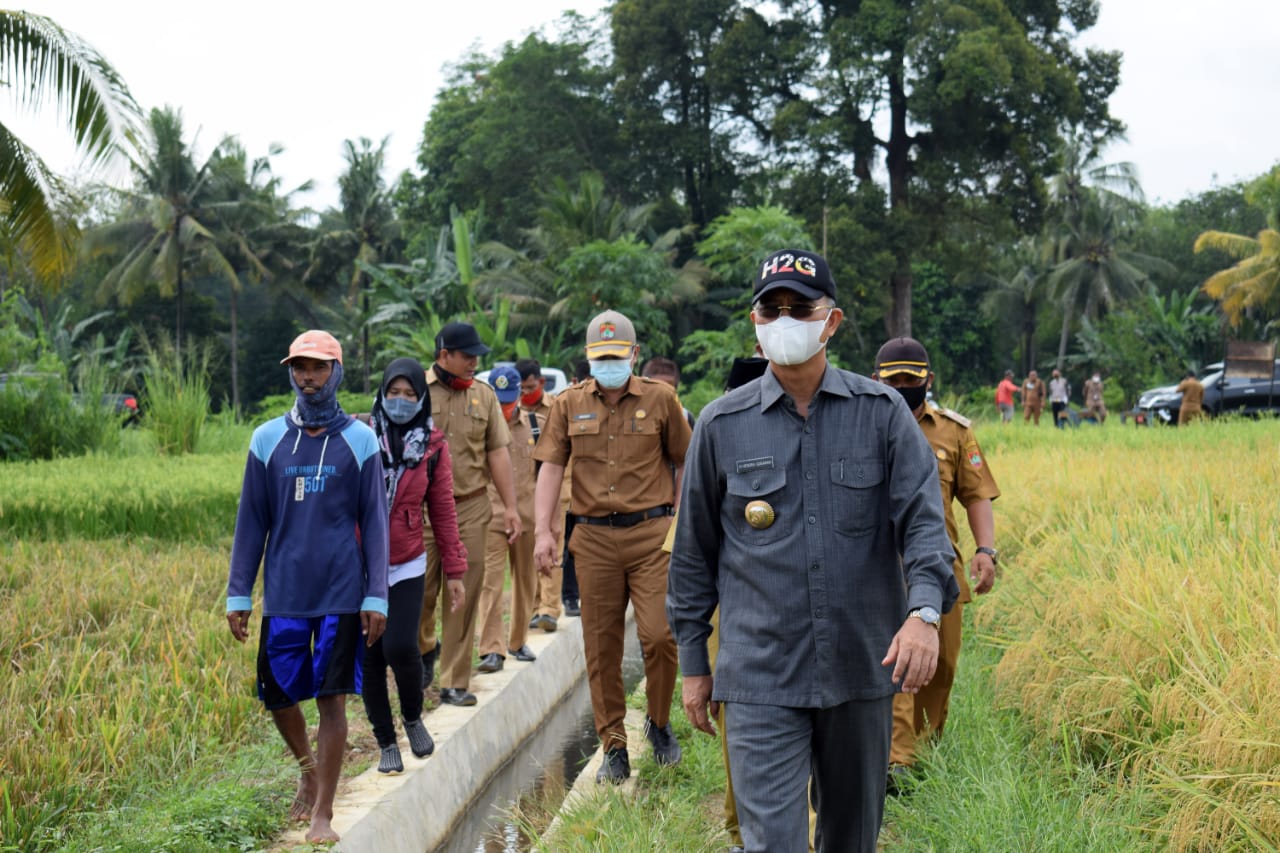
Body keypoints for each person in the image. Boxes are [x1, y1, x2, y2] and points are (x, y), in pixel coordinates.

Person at [667, 249, 957, 853]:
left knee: (851, 840)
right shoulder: (721, 427)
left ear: (832, 321)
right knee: (772, 843)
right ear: (754, 320)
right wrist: (694, 664)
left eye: (799, 307)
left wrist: (924, 615)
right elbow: (692, 557)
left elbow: (926, 529)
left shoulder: (882, 418)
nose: (784, 318)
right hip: (759, 676)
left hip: (861, 669)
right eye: (770, 308)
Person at [225, 330, 389, 844]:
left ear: (336, 372)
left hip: (342, 593)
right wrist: (238, 593)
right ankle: (307, 766)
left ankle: (324, 812)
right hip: (285, 593)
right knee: (277, 695)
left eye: (318, 368)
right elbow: (251, 523)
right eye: (299, 368)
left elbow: (376, 522)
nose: (308, 378)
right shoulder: (267, 439)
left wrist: (376, 594)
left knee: (332, 700)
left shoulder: (360, 441)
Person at [533, 309, 693, 784]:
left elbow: (686, 463)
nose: (608, 364)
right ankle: (614, 747)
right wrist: (544, 532)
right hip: (594, 540)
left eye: (616, 356)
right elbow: (551, 470)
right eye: (600, 357)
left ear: (634, 354)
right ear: (588, 357)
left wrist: (680, 523)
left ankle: (659, 724)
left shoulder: (663, 400)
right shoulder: (567, 404)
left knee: (660, 636)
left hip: (651, 538)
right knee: (601, 648)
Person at [872, 337, 1000, 789]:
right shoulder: (862, 424)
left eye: (912, 378)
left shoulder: (953, 432)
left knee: (940, 667)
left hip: (940, 566)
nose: (905, 386)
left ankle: (923, 754)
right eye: (895, 380)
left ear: (929, 379)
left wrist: (986, 550)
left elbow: (976, 494)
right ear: (877, 380)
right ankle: (896, 760)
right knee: (896, 665)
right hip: (879, 567)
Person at [362, 357, 468, 775]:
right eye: (394, 392)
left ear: (422, 399)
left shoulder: (432, 446)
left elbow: (442, 510)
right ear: (382, 393)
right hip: (359, 566)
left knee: (401, 646)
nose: (401, 401)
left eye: (410, 394)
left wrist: (455, 571)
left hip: (407, 560)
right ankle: (386, 742)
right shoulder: (360, 437)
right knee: (369, 658)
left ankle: (412, 716)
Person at [418, 321, 521, 707]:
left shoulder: (484, 396)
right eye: (467, 356)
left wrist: (509, 508)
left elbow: (497, 452)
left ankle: (455, 682)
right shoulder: (416, 391)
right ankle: (426, 645)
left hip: (472, 507)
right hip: (424, 512)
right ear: (444, 355)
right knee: (421, 596)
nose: (474, 362)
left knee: (463, 596)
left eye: (477, 356)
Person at [476, 365, 540, 673]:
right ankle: (491, 649)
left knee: (525, 580)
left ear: (520, 395)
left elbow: (546, 474)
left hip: (527, 516)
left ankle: (517, 640)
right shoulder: (480, 428)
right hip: (491, 516)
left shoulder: (534, 426)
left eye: (508, 400)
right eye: (497, 400)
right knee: (490, 582)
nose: (503, 407)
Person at [520, 358, 575, 630]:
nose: (525, 393)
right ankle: (534, 606)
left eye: (530, 387)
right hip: (525, 494)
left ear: (540, 383)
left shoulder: (557, 407)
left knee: (554, 544)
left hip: (558, 491)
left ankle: (550, 608)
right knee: (531, 548)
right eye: (521, 389)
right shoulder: (511, 410)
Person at [642, 356, 696, 428]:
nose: (662, 396)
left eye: (667, 392)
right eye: (656, 391)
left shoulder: (685, 417)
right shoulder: (631, 415)